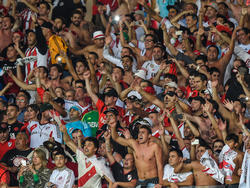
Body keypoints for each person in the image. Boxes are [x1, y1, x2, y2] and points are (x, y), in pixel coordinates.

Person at [55, 113, 115, 188]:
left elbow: (112, 182)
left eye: (89, 145)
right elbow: (68, 142)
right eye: (85, 145)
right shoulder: (81, 155)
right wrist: (64, 132)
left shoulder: (100, 162)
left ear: (95, 149)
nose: (86, 147)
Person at [110, 115, 163, 187]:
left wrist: (160, 183)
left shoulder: (155, 147)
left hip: (153, 180)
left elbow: (160, 165)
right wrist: (113, 127)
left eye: (143, 132)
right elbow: (116, 138)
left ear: (149, 136)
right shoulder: (134, 144)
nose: (140, 134)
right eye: (139, 132)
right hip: (140, 181)